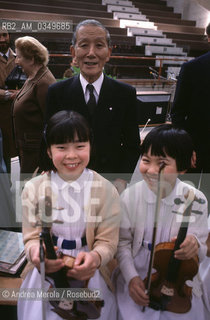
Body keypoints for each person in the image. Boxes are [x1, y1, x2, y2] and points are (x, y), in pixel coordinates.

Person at [18, 110, 120, 320]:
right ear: (48, 151)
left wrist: (96, 257)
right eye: (61, 147)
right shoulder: (33, 188)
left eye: (80, 146)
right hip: (46, 271)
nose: (71, 155)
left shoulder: (106, 189)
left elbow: (108, 241)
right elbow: (30, 237)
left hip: (89, 270)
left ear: (90, 146)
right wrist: (37, 254)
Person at [116, 124, 208, 320]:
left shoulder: (196, 198)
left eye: (162, 164)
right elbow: (122, 243)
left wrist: (194, 244)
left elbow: (200, 246)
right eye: (146, 160)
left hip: (178, 277)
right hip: (137, 267)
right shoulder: (130, 197)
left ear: (182, 167)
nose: (150, 170)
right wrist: (132, 278)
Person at [46, 19, 140, 188]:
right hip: (67, 181)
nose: (91, 53)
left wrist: (122, 180)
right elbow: (48, 139)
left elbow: (132, 144)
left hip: (109, 184)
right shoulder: (56, 92)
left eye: (99, 45)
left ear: (109, 52)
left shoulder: (125, 94)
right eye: (83, 45)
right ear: (73, 52)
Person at [171, 22, 210, 201]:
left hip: (193, 146)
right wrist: (187, 147)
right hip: (194, 147)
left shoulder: (191, 68)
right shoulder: (192, 68)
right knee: (185, 200)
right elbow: (178, 112)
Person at [12, 36, 56, 177]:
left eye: (19, 57)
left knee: (31, 193)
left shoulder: (44, 82)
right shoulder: (32, 76)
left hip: (36, 154)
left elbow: (51, 122)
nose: (16, 61)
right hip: (27, 149)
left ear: (31, 59)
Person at [0, 29, 18, 172]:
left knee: (19, 151)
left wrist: (19, 93)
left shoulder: (18, 57)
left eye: (4, 35)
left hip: (17, 112)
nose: (2, 39)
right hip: (1, 113)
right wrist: (7, 94)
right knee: (3, 153)